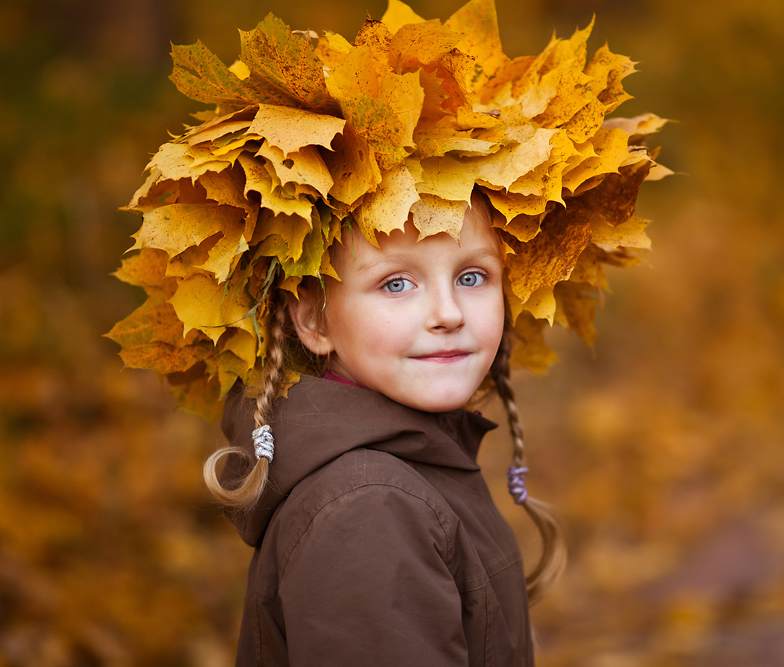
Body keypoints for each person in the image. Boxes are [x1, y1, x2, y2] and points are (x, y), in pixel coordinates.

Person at [107, 0, 667, 663]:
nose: (447, 312)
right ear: (312, 319)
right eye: (396, 283)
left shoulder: (405, 469)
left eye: (472, 276)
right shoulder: (368, 507)